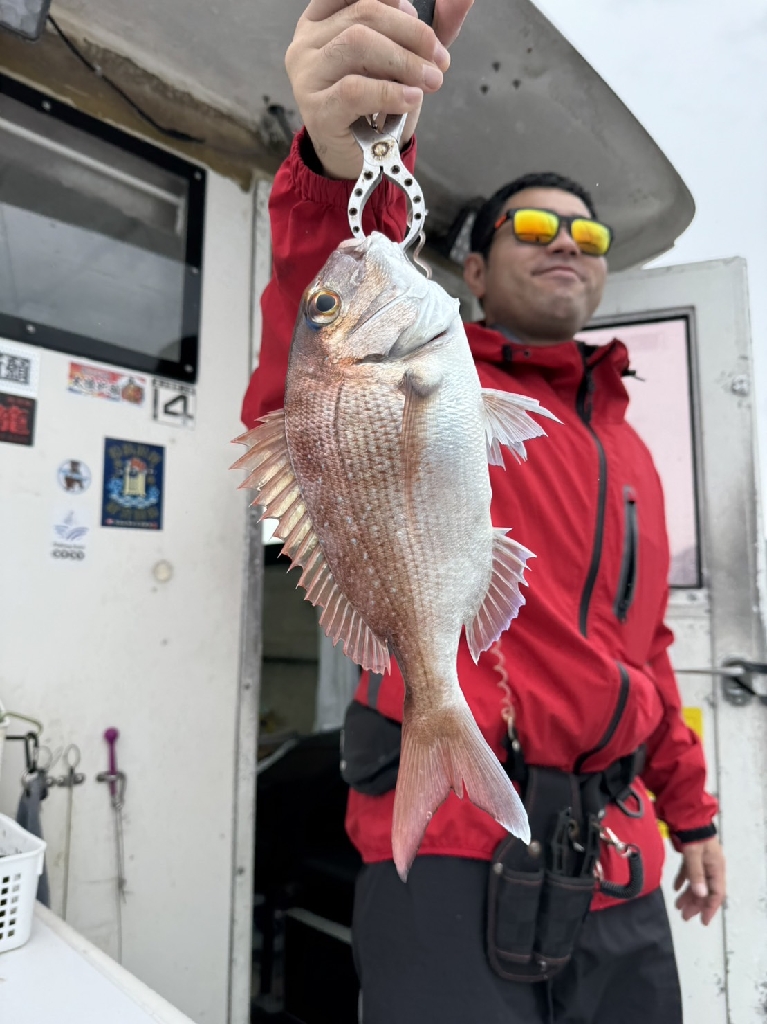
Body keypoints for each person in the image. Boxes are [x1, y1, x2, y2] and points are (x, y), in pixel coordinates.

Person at [241, 1, 726, 1021]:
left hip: (617, 852)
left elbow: (640, 654)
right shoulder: (433, 376)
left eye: (585, 233)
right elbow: (310, 371)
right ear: (469, 268)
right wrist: (341, 156)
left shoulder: (626, 443)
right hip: (451, 842)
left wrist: (692, 819)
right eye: (535, 226)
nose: (567, 244)